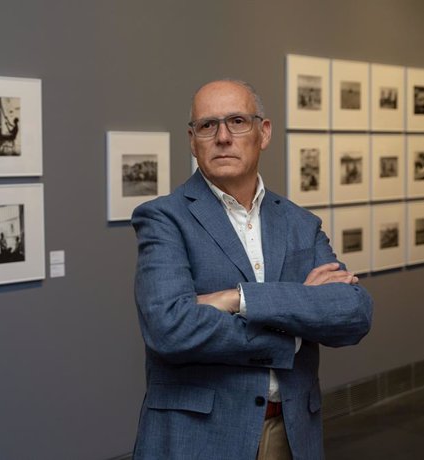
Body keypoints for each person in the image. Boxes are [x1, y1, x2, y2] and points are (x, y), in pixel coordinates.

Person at [131, 80, 373, 460]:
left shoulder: (299, 223)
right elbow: (169, 328)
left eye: (238, 121)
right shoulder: (163, 218)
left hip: (291, 432)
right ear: (192, 140)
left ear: (264, 132)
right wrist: (292, 331)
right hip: (200, 437)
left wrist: (238, 298)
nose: (223, 137)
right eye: (208, 125)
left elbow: (353, 313)